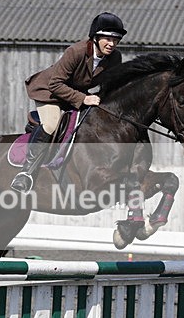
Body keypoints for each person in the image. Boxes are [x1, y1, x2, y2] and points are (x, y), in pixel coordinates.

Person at [10, 12, 127, 193]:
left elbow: (111, 85)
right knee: (51, 124)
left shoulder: (114, 58)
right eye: (107, 38)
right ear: (95, 37)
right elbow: (55, 84)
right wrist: (84, 99)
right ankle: (25, 174)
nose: (112, 44)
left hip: (75, 93)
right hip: (49, 92)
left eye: (116, 40)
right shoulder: (76, 51)